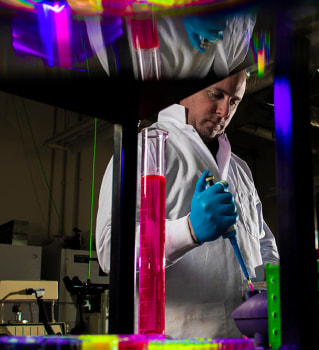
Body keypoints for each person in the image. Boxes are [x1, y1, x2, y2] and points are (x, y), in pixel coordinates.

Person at [96, 71, 280, 339]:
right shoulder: (142, 150)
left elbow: (262, 242)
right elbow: (110, 251)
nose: (223, 111)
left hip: (249, 339)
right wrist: (188, 231)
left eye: (234, 101)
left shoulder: (240, 168)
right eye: (216, 95)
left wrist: (275, 289)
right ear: (184, 89)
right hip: (177, 338)